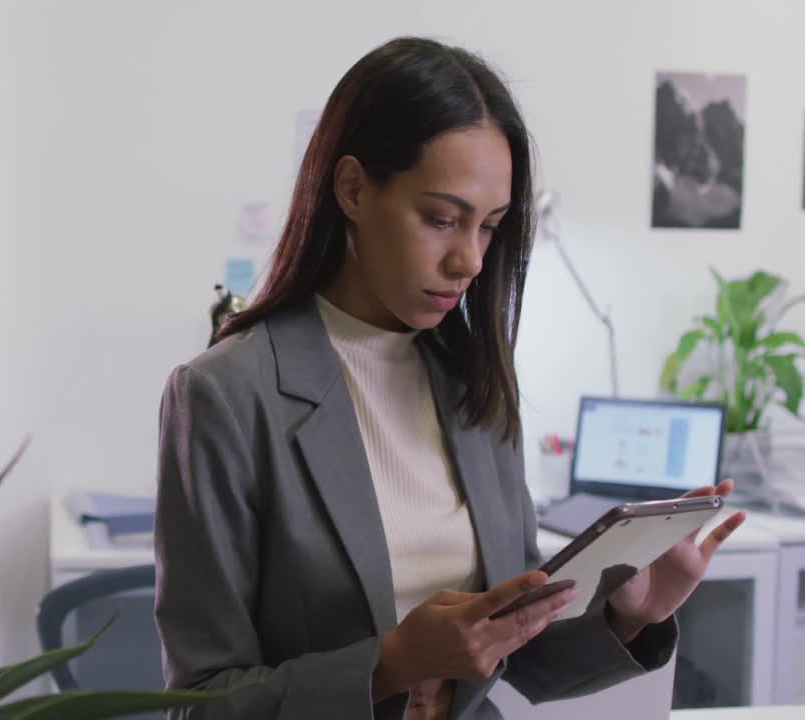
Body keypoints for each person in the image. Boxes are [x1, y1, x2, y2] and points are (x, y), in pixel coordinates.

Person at [152, 36, 746, 720]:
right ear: (352, 189)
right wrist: (395, 663)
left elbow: (517, 651)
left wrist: (627, 615)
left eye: (490, 228)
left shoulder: (475, 387)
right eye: (441, 219)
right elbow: (198, 705)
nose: (468, 260)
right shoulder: (224, 395)